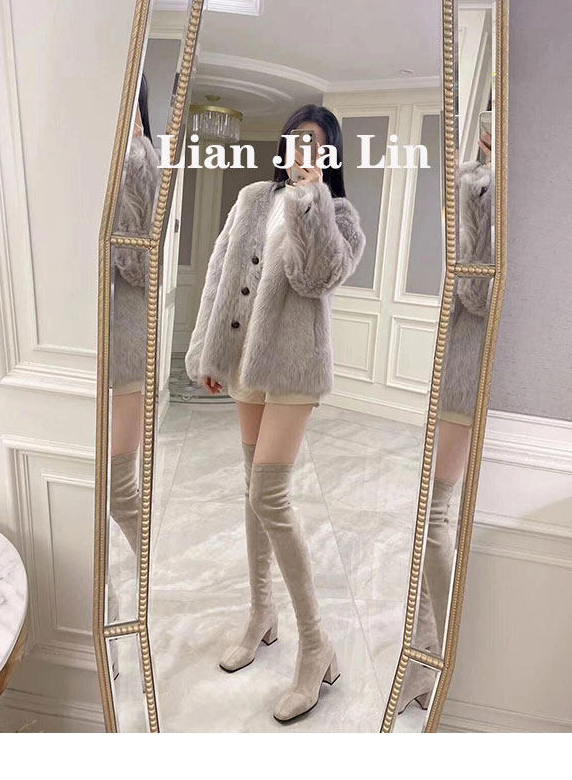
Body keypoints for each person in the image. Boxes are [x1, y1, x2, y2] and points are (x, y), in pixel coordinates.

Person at [185, 104, 365, 723]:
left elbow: (315, 279)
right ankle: (262, 614)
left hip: (293, 369)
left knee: (270, 494)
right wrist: (209, 350)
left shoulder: (340, 216)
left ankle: (315, 646)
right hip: (242, 361)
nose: (301, 150)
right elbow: (219, 274)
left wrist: (310, 200)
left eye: (315, 143)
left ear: (329, 154)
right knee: (251, 491)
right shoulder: (251, 199)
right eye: (295, 139)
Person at [398, 126, 493, 713]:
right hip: (456, 368)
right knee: (433, 515)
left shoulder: (498, 192)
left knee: (434, 514)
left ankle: (441, 658)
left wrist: (477, 197)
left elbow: (481, 296)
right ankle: (424, 657)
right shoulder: (477, 185)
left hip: (470, 373)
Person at [108, 76, 160, 559]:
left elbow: (141, 267)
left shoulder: (145, 166)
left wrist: (134, 160)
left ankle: (149, 575)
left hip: (124, 345)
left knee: (120, 490)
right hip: (67, 343)